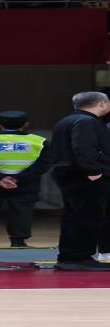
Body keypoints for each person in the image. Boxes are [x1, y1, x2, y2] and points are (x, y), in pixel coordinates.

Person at [0, 111, 51, 247]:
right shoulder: (40, 142)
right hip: (25, 184)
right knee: (21, 212)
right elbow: (43, 165)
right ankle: (18, 243)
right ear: (26, 124)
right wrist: (18, 179)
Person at [52, 91, 110, 271]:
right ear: (101, 104)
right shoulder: (87, 122)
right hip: (84, 177)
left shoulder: (66, 121)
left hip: (69, 174)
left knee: (73, 217)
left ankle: (69, 257)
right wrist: (94, 172)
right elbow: (84, 148)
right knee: (88, 217)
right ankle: (80, 257)